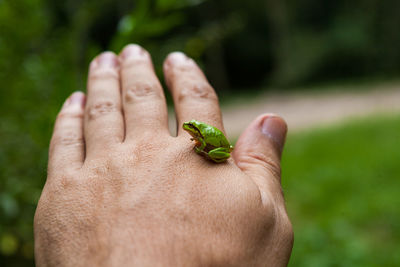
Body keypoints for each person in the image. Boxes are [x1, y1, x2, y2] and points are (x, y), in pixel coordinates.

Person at [34, 44, 294, 266]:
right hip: (214, 142)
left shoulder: (200, 135)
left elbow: (214, 145)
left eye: (191, 127)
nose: (188, 128)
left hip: (218, 150)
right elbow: (198, 133)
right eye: (189, 126)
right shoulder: (197, 130)